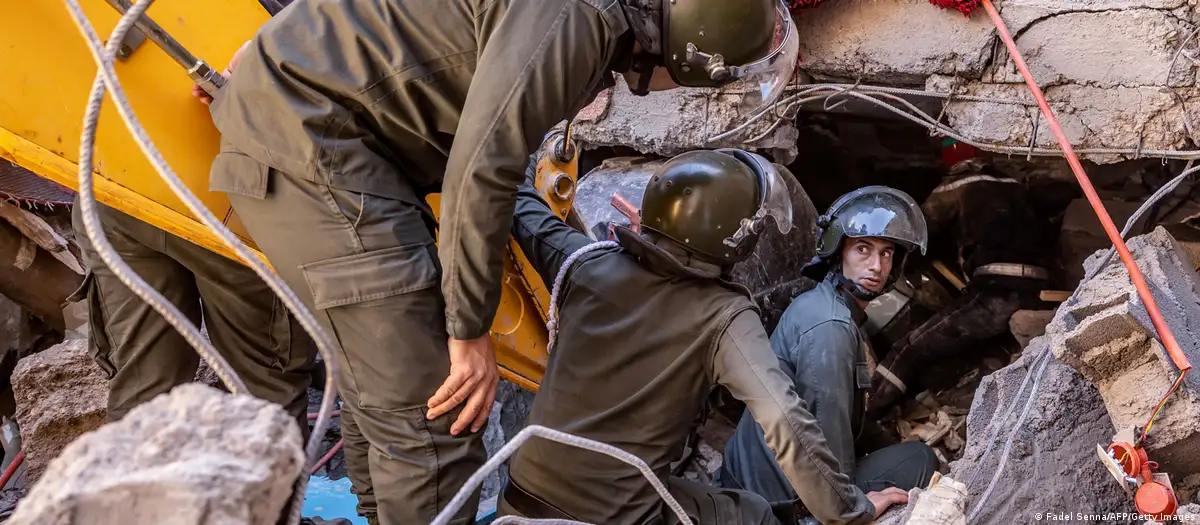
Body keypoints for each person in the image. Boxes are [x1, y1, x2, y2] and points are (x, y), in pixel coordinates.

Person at [197, 0, 800, 523]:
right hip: (320, 144)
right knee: (440, 416)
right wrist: (468, 330)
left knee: (386, 399)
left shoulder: (580, 21)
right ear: (686, 52)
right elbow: (482, 169)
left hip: (320, 129)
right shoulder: (579, 21)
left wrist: (292, 38)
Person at [498, 149, 907, 525]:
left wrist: (519, 156)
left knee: (741, 507)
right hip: (614, 515)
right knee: (755, 516)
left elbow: (527, 215)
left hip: (520, 496)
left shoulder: (587, 264)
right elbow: (786, 421)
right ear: (736, 238)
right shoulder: (725, 317)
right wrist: (853, 510)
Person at [721, 186, 941, 522]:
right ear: (839, 253)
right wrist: (855, 506)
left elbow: (846, 419)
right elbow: (828, 435)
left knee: (901, 453)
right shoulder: (831, 327)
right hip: (775, 504)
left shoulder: (826, 305)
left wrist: (884, 444)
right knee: (921, 460)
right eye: (863, 249)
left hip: (748, 480)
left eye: (887, 253)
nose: (876, 265)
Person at [68, 200, 316, 438]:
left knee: (143, 390)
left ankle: (138, 478)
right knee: (264, 383)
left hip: (112, 193)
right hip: (221, 206)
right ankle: (272, 476)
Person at [867, 139, 1053, 415]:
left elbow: (917, 232)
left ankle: (865, 413)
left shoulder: (957, 185)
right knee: (982, 346)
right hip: (1041, 287)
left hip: (996, 288)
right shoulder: (1013, 183)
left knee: (909, 349)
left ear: (949, 160)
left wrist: (895, 265)